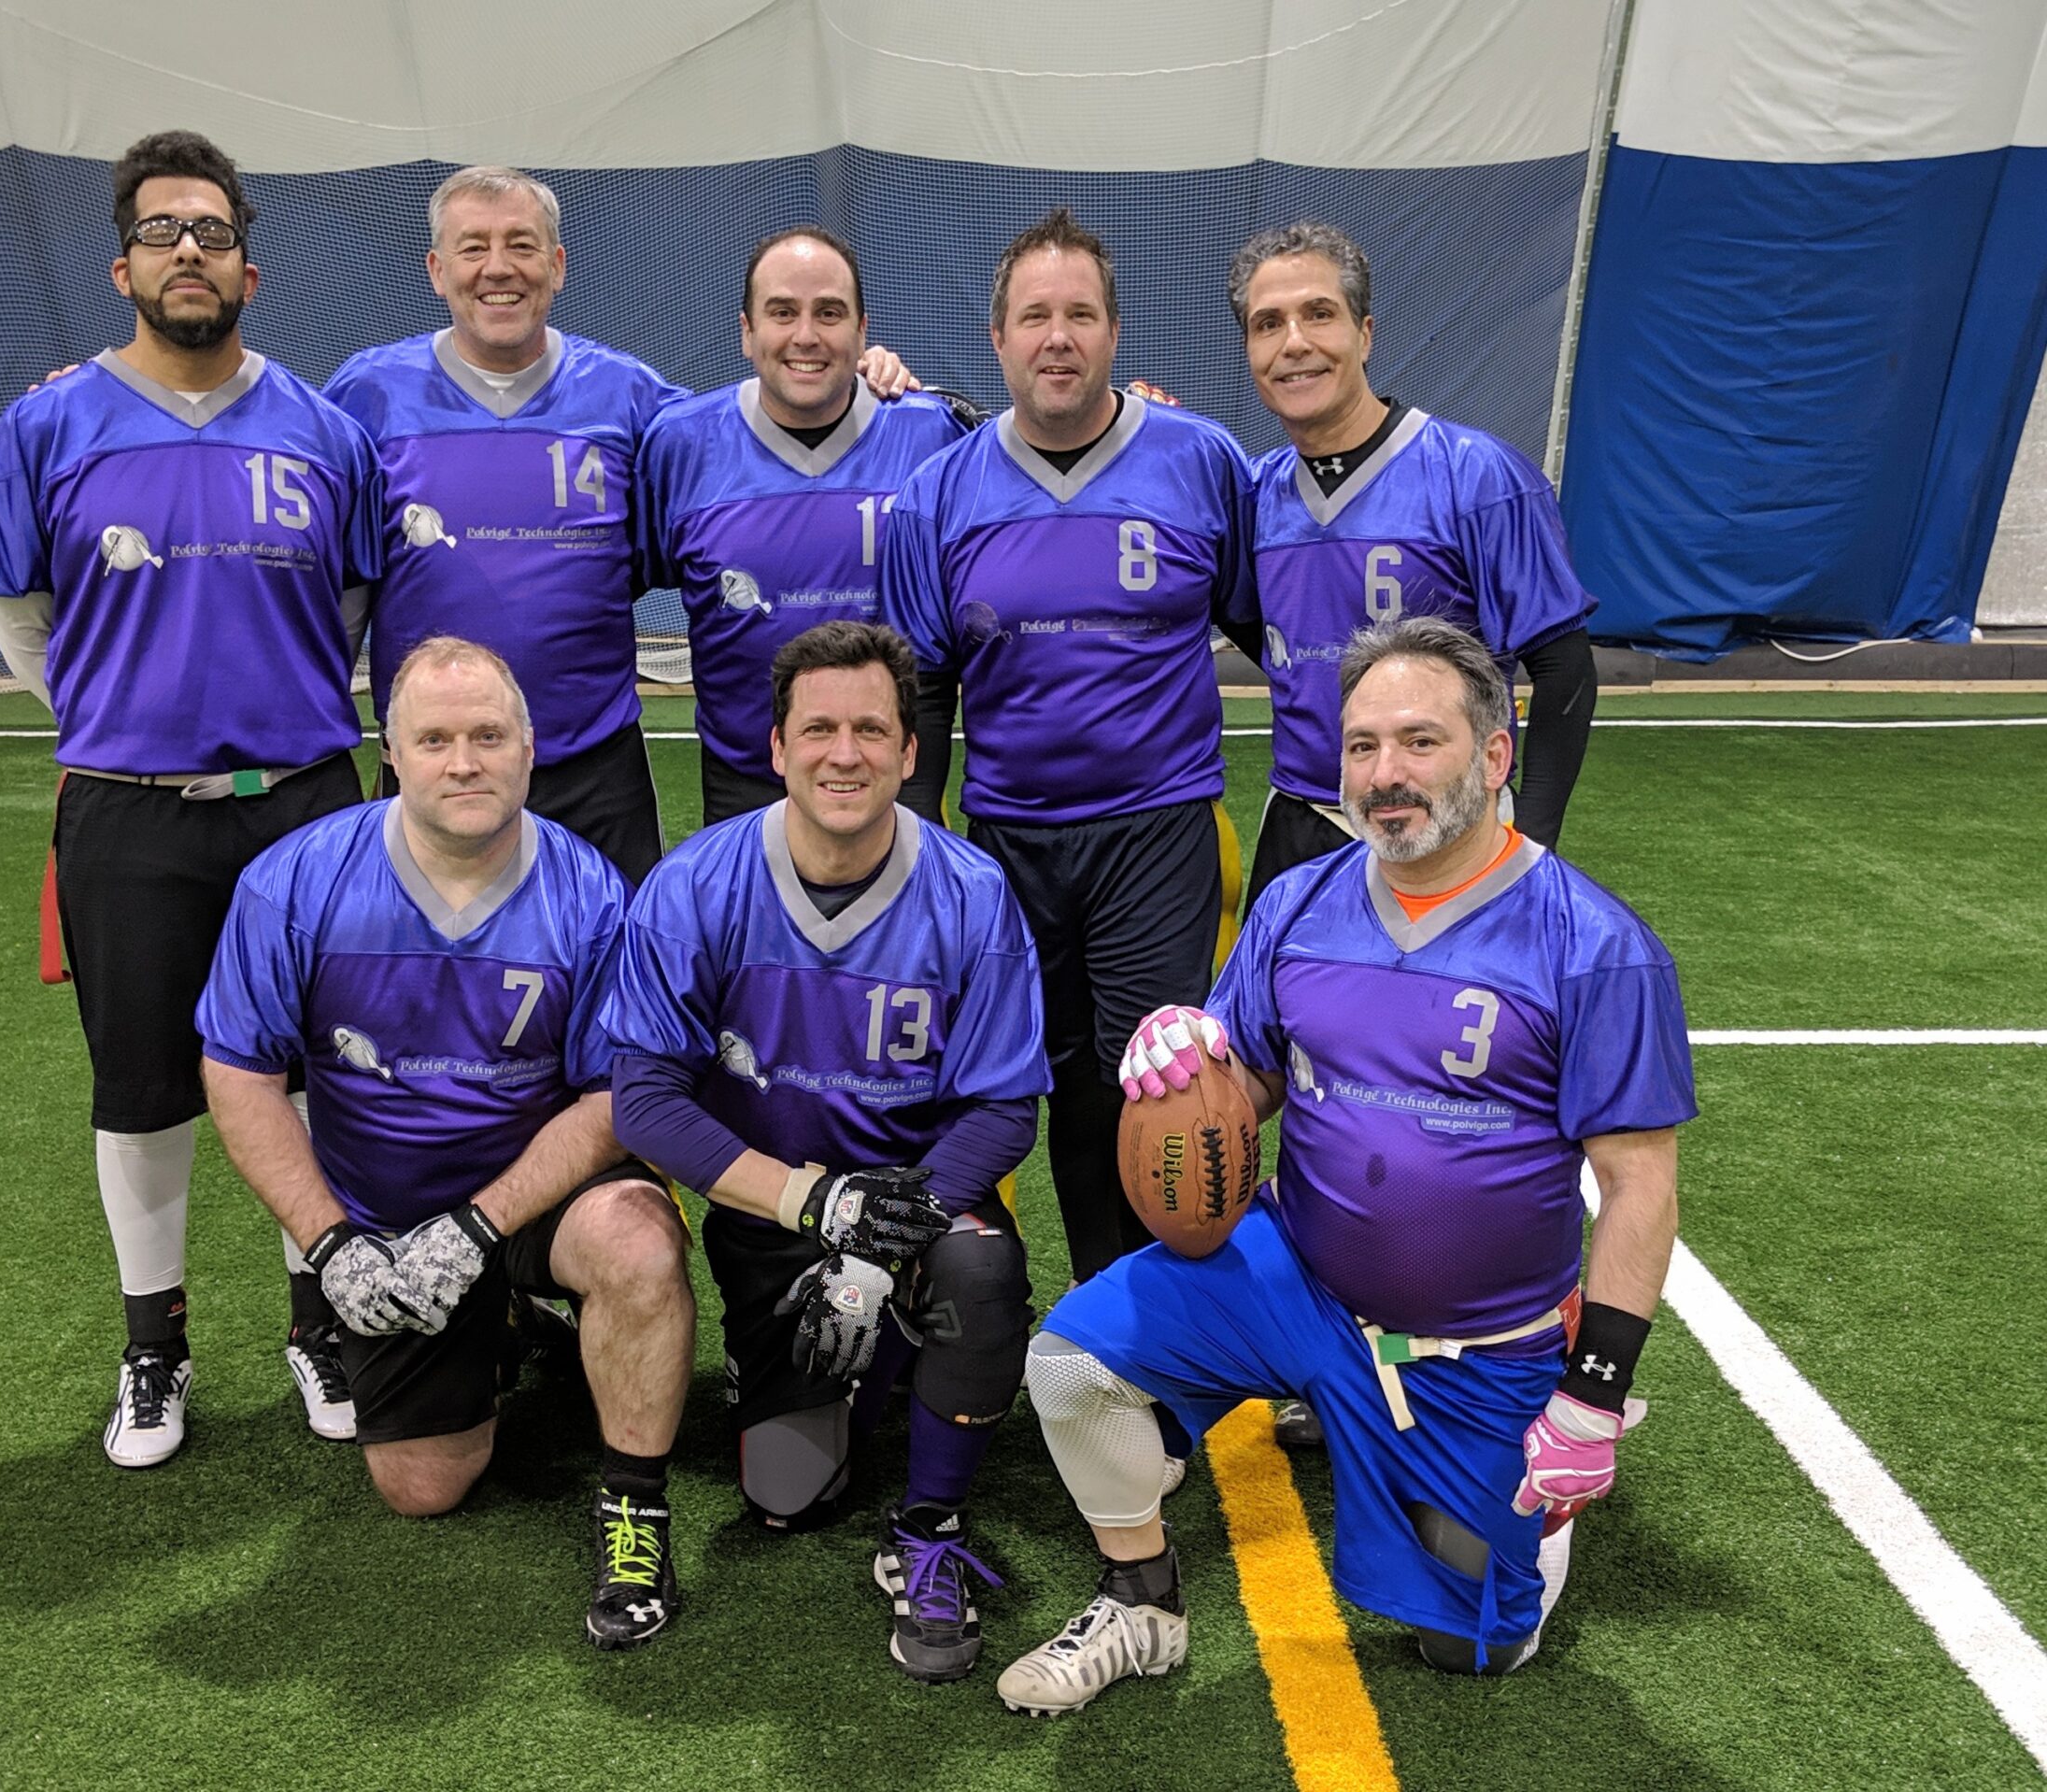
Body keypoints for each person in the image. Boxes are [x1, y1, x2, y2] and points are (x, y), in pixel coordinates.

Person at [996, 616, 1692, 1714]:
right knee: (1072, 1364)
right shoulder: (1297, 903)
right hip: (1298, 1279)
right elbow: (1248, 1079)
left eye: (1419, 741)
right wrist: (1186, 1058)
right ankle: (1139, 1603)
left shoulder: (1593, 944)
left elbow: (1639, 1183)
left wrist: (1592, 1394)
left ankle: (1530, 1512)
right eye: (1361, 745)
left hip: (1470, 1345)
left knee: (1469, 1650)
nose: (1383, 774)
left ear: (1495, 753)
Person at [0, 130, 380, 1468]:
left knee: (314, 1077)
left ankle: (321, 1323)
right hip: (127, 811)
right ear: (122, 265)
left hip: (303, 807)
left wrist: (269, 709)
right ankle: (155, 1350)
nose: (185, 251)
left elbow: (350, 610)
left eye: (210, 231)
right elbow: (23, 623)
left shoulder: (324, 430)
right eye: (159, 231)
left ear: (248, 265)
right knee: (142, 1089)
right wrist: (126, 722)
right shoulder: (43, 428)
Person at [197, 636, 696, 1651]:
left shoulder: (592, 894)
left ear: (529, 748)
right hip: (387, 1217)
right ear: (391, 754)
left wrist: (478, 1228)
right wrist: (331, 1243)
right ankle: (499, 1325)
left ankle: (634, 1512)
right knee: (422, 1486)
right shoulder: (293, 883)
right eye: (434, 740)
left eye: (487, 736)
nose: (464, 762)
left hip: (539, 1196)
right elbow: (239, 1072)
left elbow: (614, 1096)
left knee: (639, 1244)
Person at [603, 621, 1049, 1683]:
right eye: (818, 730)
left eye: (871, 730)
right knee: (785, 1495)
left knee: (981, 1271)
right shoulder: (696, 885)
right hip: (774, 1223)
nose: (843, 754)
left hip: (918, 1211)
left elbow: (1004, 1112)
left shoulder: (972, 893)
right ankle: (873, 1368)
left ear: (909, 751)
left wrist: (882, 1236)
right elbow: (644, 1101)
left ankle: (930, 1528)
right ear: (776, 747)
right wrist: (815, 1208)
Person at [1229, 219, 1602, 1450]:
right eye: (1268, 324)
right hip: (1307, 831)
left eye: (1316, 315)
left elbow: (1563, 667)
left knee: (1472, 1107)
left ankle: (1502, 1353)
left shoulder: (1473, 475)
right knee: (1307, 1101)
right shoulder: (1257, 492)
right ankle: (1324, 1356)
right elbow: (1251, 621)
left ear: (1365, 330)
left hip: (1451, 851)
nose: (1295, 343)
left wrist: (1528, 847)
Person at [323, 170, 918, 884]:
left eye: (521, 245)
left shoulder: (635, 401)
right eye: (473, 247)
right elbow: (340, 581)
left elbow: (757, 437)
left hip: (596, 774)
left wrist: (868, 376)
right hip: (433, 768)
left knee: (619, 953)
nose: (498, 268)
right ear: (435, 269)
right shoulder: (364, 398)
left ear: (558, 265)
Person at [881, 207, 1259, 1285]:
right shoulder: (939, 495)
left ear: (1114, 331)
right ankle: (1068, 1309)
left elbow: (1271, 627)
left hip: (1158, 834)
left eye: (1080, 315)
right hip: (1009, 842)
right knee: (1037, 1085)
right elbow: (924, 692)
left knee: (1153, 1084)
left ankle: (1149, 1326)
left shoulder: (1201, 462)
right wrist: (921, 847)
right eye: (1035, 316)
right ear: (997, 338)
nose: (1059, 337)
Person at [638, 228, 973, 826]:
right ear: (746, 331)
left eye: (829, 313)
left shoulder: (933, 434)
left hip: (895, 778)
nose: (806, 335)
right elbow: (613, 581)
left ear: (863, 332)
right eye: (782, 312)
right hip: (743, 779)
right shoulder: (681, 445)